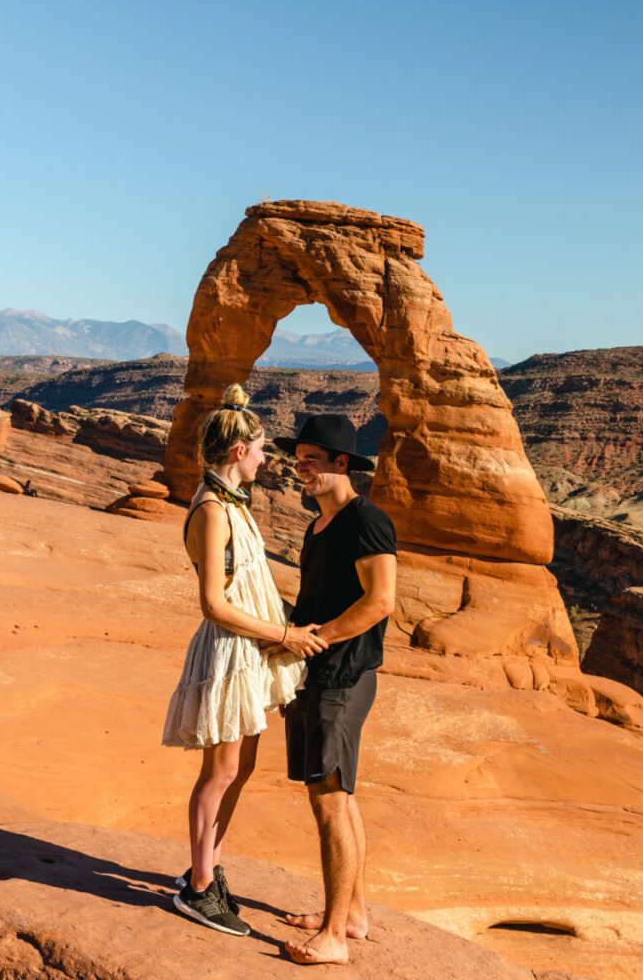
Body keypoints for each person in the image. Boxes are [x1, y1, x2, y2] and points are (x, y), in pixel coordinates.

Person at [162, 384, 327, 937]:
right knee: (222, 770)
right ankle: (200, 888)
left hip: (251, 650)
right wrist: (284, 633)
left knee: (242, 768)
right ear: (238, 453)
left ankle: (205, 869)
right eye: (259, 449)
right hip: (232, 651)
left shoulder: (233, 502)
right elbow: (212, 603)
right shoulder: (212, 510)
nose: (265, 458)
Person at [273, 414, 397, 966]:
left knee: (329, 802)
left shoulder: (365, 521)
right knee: (339, 799)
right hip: (319, 674)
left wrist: (314, 641)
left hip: (342, 677)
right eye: (297, 460)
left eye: (310, 461)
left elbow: (380, 601)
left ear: (341, 464)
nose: (300, 470)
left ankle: (334, 941)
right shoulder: (318, 524)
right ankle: (351, 915)